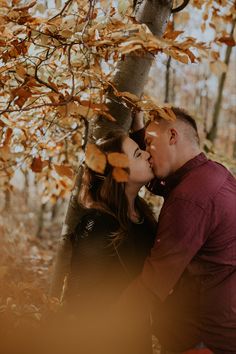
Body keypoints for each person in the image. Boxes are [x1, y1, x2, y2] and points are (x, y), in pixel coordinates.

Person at [125, 106, 236, 354]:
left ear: (173, 136)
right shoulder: (211, 173)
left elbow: (153, 284)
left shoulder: (190, 198)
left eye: (150, 143)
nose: (147, 155)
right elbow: (156, 180)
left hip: (203, 340)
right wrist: (138, 127)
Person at [61, 130, 157, 354]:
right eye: (137, 153)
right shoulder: (98, 224)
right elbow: (80, 299)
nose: (147, 154)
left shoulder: (144, 217)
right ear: (118, 173)